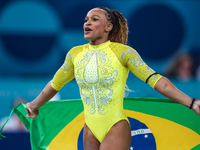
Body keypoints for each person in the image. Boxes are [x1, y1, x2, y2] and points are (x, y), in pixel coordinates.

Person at [26, 7, 200, 150]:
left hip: (116, 126)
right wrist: (34, 105)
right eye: (86, 19)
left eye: (94, 19)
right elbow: (54, 85)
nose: (87, 22)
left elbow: (157, 81)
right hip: (89, 130)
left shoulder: (123, 53)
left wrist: (192, 103)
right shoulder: (75, 54)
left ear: (108, 27)